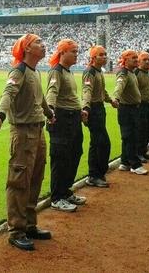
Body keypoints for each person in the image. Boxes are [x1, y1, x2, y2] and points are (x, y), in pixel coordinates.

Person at [0, 34, 54, 251]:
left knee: (36, 177)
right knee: (19, 181)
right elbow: (8, 93)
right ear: (27, 48)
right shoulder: (18, 71)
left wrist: (48, 113)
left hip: (38, 131)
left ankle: (29, 224)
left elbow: (41, 98)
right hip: (22, 133)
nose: (43, 45)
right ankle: (16, 230)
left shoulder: (35, 71)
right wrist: (0, 115)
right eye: (39, 42)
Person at [45, 39, 87, 213]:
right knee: (60, 158)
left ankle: (66, 190)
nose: (77, 54)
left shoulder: (68, 72)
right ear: (63, 53)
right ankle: (56, 197)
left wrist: (80, 110)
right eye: (74, 51)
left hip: (74, 118)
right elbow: (52, 92)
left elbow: (70, 95)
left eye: (77, 51)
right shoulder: (56, 72)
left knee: (75, 153)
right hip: (62, 119)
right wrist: (51, 111)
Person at [81, 46, 118, 188]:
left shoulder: (98, 72)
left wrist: (110, 101)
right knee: (100, 143)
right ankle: (93, 175)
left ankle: (98, 174)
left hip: (100, 109)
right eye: (101, 55)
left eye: (105, 54)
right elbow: (87, 91)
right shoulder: (90, 72)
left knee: (99, 143)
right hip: (93, 110)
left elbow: (102, 90)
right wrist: (86, 108)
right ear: (93, 57)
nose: (104, 57)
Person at [113, 50, 148, 175]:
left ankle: (125, 162)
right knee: (130, 137)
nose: (136, 60)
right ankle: (135, 164)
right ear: (126, 59)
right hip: (127, 109)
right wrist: (116, 98)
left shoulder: (131, 72)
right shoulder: (123, 73)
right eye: (133, 58)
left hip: (132, 108)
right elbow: (119, 86)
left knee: (128, 137)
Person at [135, 52, 149, 162]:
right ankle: (138, 153)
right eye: (145, 60)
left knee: (148, 129)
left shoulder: (148, 73)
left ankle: (144, 151)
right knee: (141, 130)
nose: (148, 61)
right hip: (140, 106)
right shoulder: (136, 73)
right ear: (139, 61)